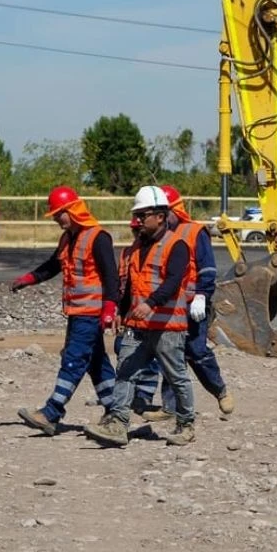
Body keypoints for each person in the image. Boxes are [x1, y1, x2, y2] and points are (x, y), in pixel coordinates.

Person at [84, 185, 198, 447]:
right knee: (125, 372)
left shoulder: (176, 245)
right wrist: (121, 313)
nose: (138, 221)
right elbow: (130, 286)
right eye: (137, 215)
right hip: (137, 325)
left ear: (160, 216)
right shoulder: (134, 249)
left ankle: (186, 424)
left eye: (143, 215)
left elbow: (173, 281)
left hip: (167, 326)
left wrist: (151, 303)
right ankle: (118, 423)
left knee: (176, 376)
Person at [12, 186, 123, 436]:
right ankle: (116, 410)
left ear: (73, 210)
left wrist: (109, 309)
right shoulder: (68, 238)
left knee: (73, 359)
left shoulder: (98, 237)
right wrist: (29, 278)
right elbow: (53, 266)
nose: (55, 219)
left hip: (90, 313)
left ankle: (52, 412)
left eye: (58, 214)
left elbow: (111, 277)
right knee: (96, 363)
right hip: (76, 312)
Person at [138, 185, 234, 422]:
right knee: (172, 355)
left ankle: (219, 390)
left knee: (196, 351)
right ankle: (170, 408)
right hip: (171, 307)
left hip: (194, 305)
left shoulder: (194, 232)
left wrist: (202, 294)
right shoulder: (157, 237)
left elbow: (207, 267)